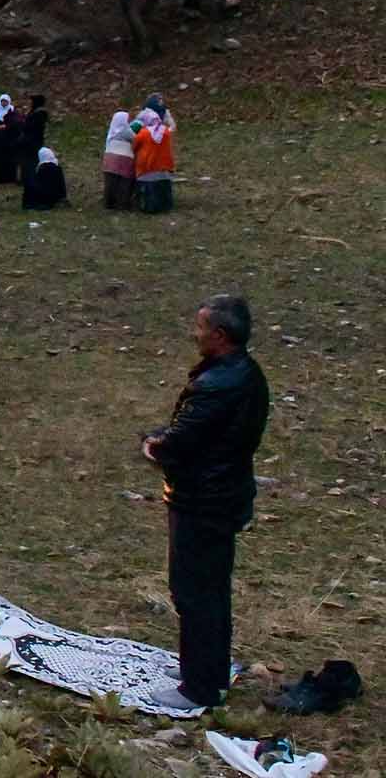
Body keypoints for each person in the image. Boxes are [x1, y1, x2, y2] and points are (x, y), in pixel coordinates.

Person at [141, 295, 269, 712]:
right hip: (225, 495)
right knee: (211, 589)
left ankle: (199, 687)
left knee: (194, 591)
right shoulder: (246, 374)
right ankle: (207, 669)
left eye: (200, 327)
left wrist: (154, 444)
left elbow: (182, 441)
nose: (194, 334)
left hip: (202, 502)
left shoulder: (216, 385)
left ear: (219, 335)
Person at [134, 109, 176, 214]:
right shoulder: (165, 131)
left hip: (147, 169)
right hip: (164, 170)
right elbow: (173, 128)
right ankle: (165, 206)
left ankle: (149, 206)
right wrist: (169, 117)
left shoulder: (143, 133)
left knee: (148, 194)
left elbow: (134, 146)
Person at [101, 110, 138, 211]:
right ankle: (123, 203)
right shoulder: (126, 131)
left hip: (109, 158)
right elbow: (137, 140)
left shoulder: (111, 132)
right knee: (125, 183)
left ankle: (109, 203)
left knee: (110, 182)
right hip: (124, 159)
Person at [0, 94, 24, 184]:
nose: (4, 103)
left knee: (9, 158)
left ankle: (10, 178)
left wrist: (6, 126)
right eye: (2, 101)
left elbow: (17, 123)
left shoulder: (12, 111)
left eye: (5, 101)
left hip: (9, 139)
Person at [20, 94, 50, 188]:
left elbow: (32, 127)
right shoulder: (35, 112)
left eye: (32, 101)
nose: (30, 103)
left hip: (33, 141)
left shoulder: (39, 114)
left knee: (31, 161)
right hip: (30, 141)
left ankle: (31, 179)